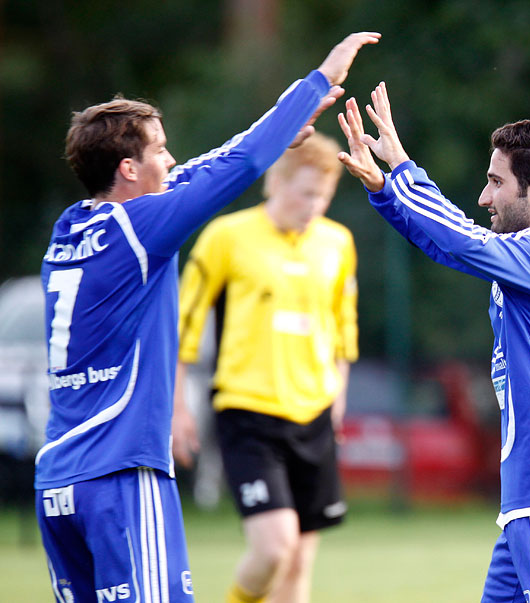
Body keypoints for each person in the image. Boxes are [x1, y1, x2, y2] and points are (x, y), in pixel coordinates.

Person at [34, 32, 380, 603]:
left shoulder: (70, 228)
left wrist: (272, 135)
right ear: (127, 168)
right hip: (120, 473)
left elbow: (205, 170)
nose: (171, 159)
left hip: (59, 481)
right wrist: (318, 81)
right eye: (160, 150)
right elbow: (233, 167)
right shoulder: (142, 230)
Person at [337, 83, 530, 602]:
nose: (484, 197)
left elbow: (460, 240)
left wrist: (401, 169)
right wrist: (384, 187)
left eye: (496, 182)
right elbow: (446, 241)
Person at [173, 130, 358, 603]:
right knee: (274, 548)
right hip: (247, 412)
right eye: (306, 192)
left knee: (298, 563)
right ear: (276, 182)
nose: (315, 204)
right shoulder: (227, 237)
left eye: (324, 195)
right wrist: (177, 408)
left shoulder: (337, 243)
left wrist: (337, 400)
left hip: (313, 414)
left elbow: (343, 332)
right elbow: (181, 330)